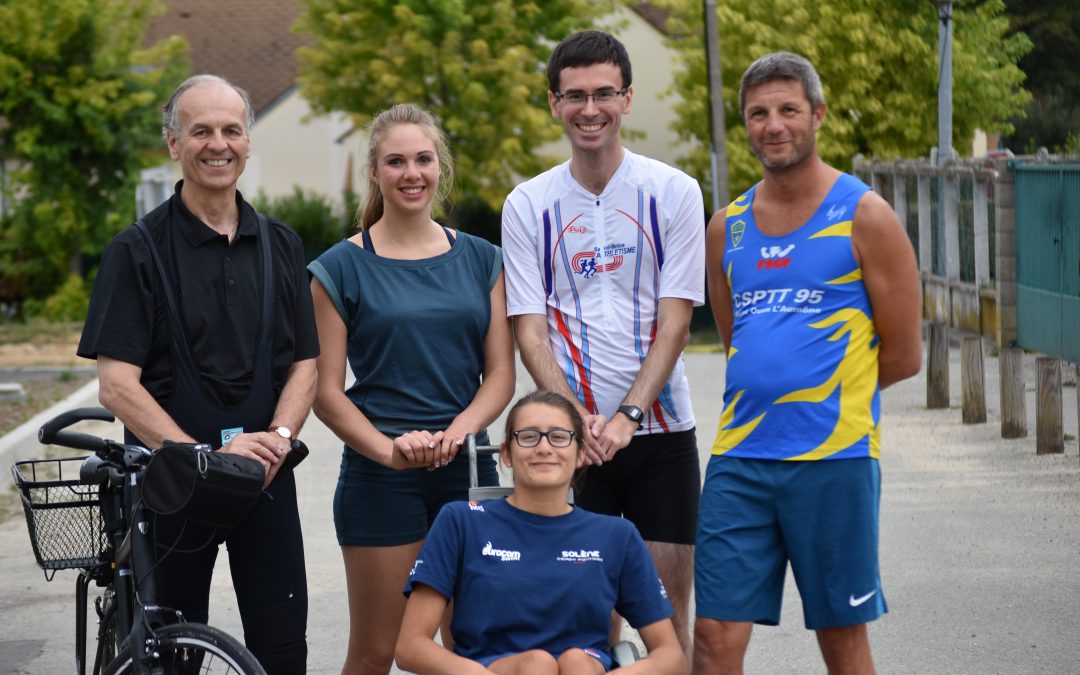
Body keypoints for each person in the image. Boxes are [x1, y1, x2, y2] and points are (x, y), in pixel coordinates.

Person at [77, 74, 318, 673]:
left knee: (283, 649)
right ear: (173, 143)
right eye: (201, 130)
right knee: (172, 654)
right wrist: (200, 459)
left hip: (264, 479)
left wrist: (279, 441)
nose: (218, 144)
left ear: (247, 143)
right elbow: (117, 385)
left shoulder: (282, 245)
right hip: (172, 488)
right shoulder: (136, 250)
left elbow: (305, 365)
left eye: (232, 130)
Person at [693, 52, 923, 674]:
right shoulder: (726, 227)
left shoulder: (866, 216)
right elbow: (739, 339)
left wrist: (826, 394)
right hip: (740, 457)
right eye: (758, 113)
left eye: (788, 110)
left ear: (818, 115)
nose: (773, 125)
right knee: (711, 636)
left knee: (840, 638)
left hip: (834, 458)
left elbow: (904, 354)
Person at [500, 30, 704, 665]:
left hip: (661, 435)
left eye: (604, 94)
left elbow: (676, 322)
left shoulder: (675, 191)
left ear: (627, 98)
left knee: (667, 622)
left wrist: (628, 417)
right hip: (573, 444)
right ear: (554, 103)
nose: (590, 109)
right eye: (575, 96)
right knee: (581, 625)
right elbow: (529, 329)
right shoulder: (527, 203)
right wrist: (576, 422)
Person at [308, 103, 515, 675]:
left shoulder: (484, 259)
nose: (411, 173)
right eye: (395, 161)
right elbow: (326, 393)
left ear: (439, 166)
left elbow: (501, 375)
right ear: (375, 172)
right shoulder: (338, 268)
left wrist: (459, 432)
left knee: (476, 650)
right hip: (381, 479)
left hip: (469, 469)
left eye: (423, 159)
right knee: (376, 653)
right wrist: (389, 451)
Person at [396, 390, 686, 675]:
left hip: (583, 669)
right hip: (492, 669)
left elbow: (670, 656)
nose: (544, 448)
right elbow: (410, 646)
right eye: (528, 437)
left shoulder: (616, 535)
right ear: (506, 453)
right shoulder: (461, 522)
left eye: (559, 437)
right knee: (537, 665)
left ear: (580, 453)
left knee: (576, 662)